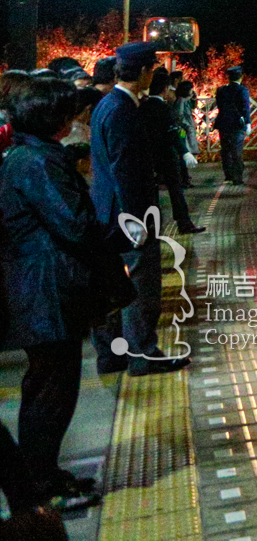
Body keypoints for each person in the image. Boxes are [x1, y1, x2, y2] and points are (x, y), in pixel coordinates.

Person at [2, 76, 132, 513]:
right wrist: (116, 235)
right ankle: (41, 485)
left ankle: (46, 474)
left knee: (50, 389)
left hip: (45, 292)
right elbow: (73, 224)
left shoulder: (30, 156)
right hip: (47, 294)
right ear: (53, 117)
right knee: (51, 393)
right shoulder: (35, 162)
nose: (78, 120)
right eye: (71, 113)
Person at [88, 41, 186, 376]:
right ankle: (143, 354)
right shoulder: (123, 110)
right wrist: (136, 223)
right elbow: (125, 171)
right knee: (142, 286)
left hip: (106, 212)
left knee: (112, 284)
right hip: (127, 215)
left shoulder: (106, 105)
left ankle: (109, 354)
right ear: (144, 72)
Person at [143, 70, 201, 237]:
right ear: (164, 89)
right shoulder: (164, 108)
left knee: (151, 192)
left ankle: (153, 225)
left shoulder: (143, 107)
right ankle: (184, 223)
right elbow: (172, 133)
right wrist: (185, 152)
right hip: (167, 156)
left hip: (149, 156)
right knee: (176, 190)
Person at [212, 67, 252, 187]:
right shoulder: (242, 90)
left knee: (225, 150)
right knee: (236, 151)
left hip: (223, 123)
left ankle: (228, 175)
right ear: (241, 77)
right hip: (236, 124)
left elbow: (219, 105)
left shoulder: (221, 90)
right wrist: (248, 123)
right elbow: (245, 107)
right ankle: (237, 178)